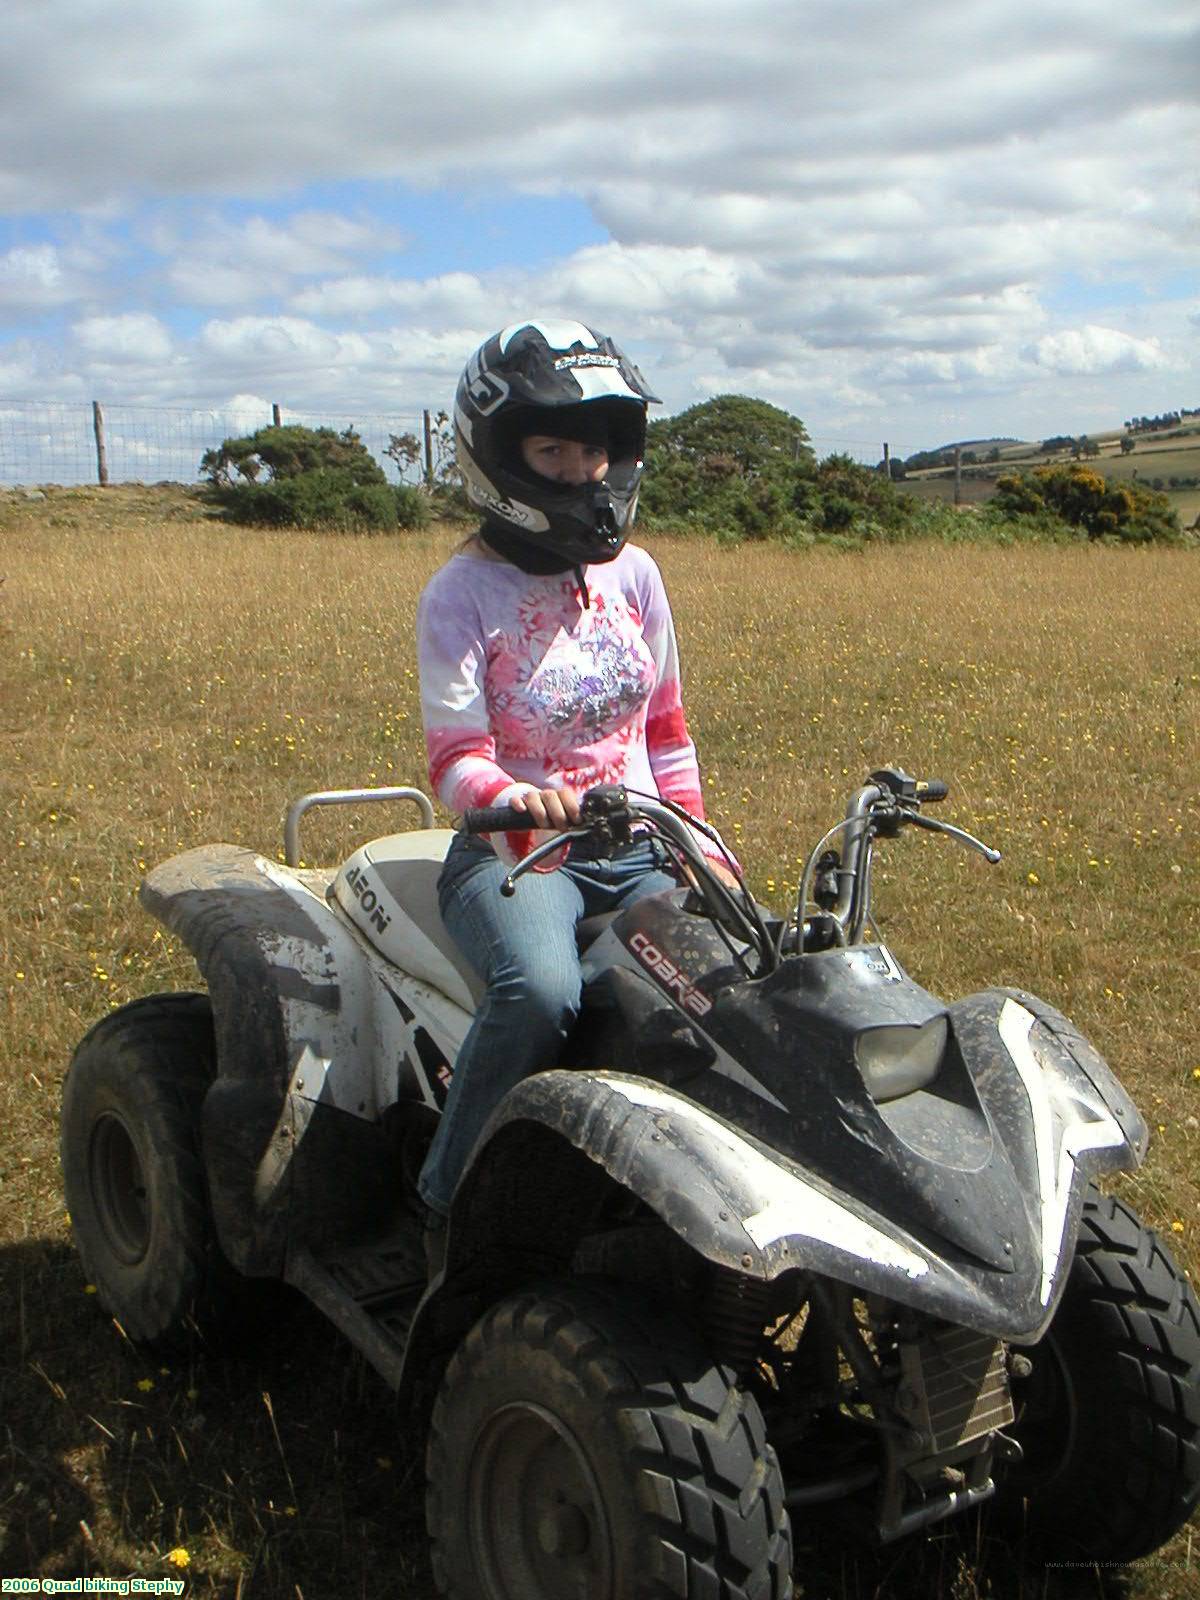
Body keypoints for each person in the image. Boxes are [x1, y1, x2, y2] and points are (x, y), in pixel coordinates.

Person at [415, 317, 737, 1263]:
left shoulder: (636, 575)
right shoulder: (460, 593)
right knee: (545, 991)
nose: (579, 472)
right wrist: (521, 801)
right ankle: (449, 1196)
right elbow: (455, 757)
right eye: (551, 449)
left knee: (722, 991)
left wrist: (702, 841)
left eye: (593, 449)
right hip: (517, 855)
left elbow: (667, 730)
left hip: (641, 841)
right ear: (500, 458)